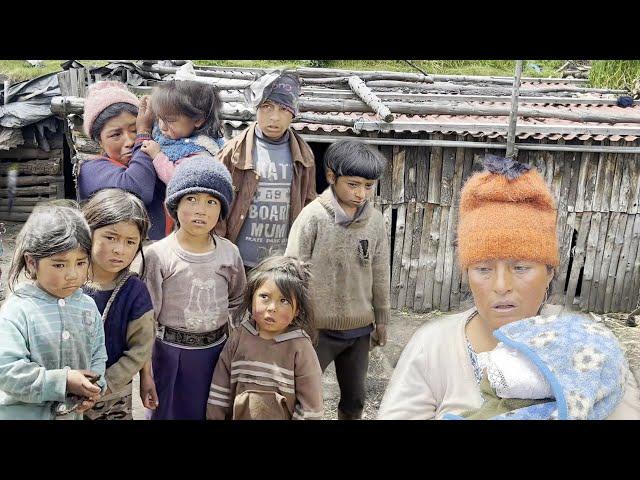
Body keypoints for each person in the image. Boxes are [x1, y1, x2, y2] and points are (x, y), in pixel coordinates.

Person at [377, 154, 640, 420]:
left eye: (521, 267)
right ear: (466, 273)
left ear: (550, 272)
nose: (501, 286)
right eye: (483, 269)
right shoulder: (433, 345)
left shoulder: (590, 345)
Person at [285, 139, 390, 420]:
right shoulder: (313, 217)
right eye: (353, 184)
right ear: (332, 177)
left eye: (369, 186)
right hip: (316, 331)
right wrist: (296, 324)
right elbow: (291, 273)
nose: (361, 193)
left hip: (359, 330)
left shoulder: (376, 221)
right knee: (302, 398)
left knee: (355, 401)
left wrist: (381, 319)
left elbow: (380, 272)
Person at [142, 156, 246, 419]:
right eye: (192, 199)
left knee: (210, 412)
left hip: (216, 354)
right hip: (170, 355)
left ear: (221, 211)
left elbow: (237, 302)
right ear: (174, 205)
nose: (201, 210)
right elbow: (146, 318)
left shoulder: (229, 253)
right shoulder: (158, 255)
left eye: (211, 202)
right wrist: (146, 370)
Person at [0, 204, 107, 420]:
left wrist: (95, 386)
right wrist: (63, 381)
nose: (72, 274)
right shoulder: (18, 309)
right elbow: (6, 370)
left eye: (80, 262)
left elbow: (98, 356)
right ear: (32, 262)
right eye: (59, 265)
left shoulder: (87, 307)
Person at [215, 71, 317, 272]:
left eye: (283, 109)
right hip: (236, 263)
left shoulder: (304, 157)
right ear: (256, 108)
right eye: (266, 107)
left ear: (293, 113)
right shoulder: (232, 152)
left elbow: (309, 206)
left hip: (280, 264)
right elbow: (215, 204)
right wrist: (218, 251)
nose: (274, 117)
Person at [207, 255, 323, 420]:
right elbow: (220, 389)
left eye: (283, 300)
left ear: (297, 310)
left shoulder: (300, 346)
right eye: (264, 297)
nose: (272, 308)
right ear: (251, 297)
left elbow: (311, 405)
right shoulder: (239, 337)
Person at [81, 189, 155, 420]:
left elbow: (140, 348)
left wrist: (105, 384)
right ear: (88, 232)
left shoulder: (134, 292)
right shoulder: (66, 281)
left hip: (112, 397)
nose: (119, 249)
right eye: (110, 237)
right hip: (64, 391)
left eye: (130, 241)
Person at [77, 80, 167, 240]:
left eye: (134, 130)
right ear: (99, 141)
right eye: (116, 134)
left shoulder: (158, 160)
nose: (131, 141)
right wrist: (143, 132)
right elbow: (138, 190)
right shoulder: (91, 171)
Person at [139, 79, 224, 186]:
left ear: (197, 120)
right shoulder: (171, 130)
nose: (162, 126)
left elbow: (178, 178)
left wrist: (157, 156)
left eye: (170, 121)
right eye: (159, 118)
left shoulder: (200, 153)